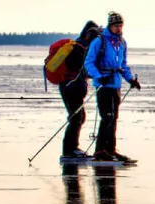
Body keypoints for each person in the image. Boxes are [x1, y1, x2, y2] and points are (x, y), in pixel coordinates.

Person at [82, 11, 140, 164]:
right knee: (107, 117)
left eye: (120, 26)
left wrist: (131, 80)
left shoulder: (122, 43)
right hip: (103, 85)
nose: (119, 29)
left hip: (115, 85)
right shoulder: (99, 41)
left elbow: (123, 65)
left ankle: (110, 150)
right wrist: (98, 76)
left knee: (113, 118)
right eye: (116, 26)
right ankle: (101, 151)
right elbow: (89, 62)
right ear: (110, 25)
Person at [58, 20, 103, 161]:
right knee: (76, 117)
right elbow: (82, 69)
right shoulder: (79, 48)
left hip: (73, 86)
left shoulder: (81, 47)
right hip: (71, 87)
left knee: (78, 117)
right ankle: (69, 151)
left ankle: (71, 149)